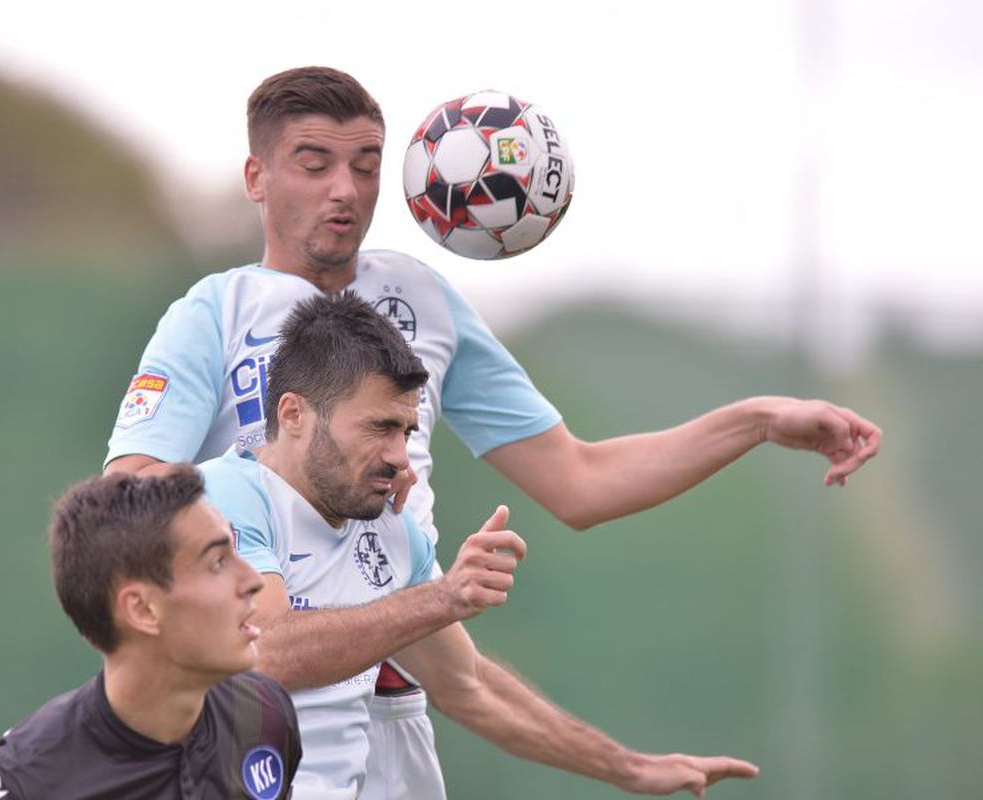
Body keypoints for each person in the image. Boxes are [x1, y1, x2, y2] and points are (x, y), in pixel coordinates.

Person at [103, 66, 882, 799]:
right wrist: (280, 506)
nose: (345, 190)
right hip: (261, 705)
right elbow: (131, 497)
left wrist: (756, 421)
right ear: (257, 178)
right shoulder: (216, 312)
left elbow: (579, 481)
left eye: (368, 165)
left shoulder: (420, 301)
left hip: (405, 685)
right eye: (314, 163)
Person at [197, 289, 759, 798]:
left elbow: (468, 687)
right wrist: (442, 598)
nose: (399, 454)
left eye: (405, 431)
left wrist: (629, 769)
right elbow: (265, 652)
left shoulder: (392, 531)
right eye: (378, 428)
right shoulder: (216, 499)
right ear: (294, 414)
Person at [0, 466, 303, 800]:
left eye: (236, 552)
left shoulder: (264, 713)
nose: (253, 580)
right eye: (217, 562)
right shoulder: (23, 783)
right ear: (142, 609)